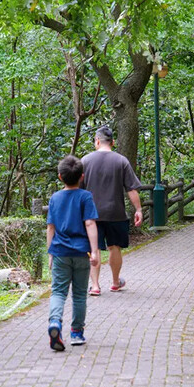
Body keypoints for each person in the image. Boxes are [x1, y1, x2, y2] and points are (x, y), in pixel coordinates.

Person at [81, 126, 143, 296]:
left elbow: (77, 189)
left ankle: (95, 286)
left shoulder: (85, 161)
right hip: (116, 212)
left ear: (97, 141)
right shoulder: (121, 161)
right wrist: (138, 209)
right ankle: (115, 282)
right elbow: (131, 189)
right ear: (113, 142)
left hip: (92, 215)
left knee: (94, 249)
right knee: (114, 247)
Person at [46, 155, 100, 351]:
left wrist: (50, 253)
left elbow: (50, 227)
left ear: (60, 176)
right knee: (79, 294)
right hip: (81, 252)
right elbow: (90, 223)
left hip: (60, 251)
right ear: (82, 176)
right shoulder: (85, 197)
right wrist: (94, 251)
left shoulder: (55, 198)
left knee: (58, 291)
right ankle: (76, 333)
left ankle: (54, 322)